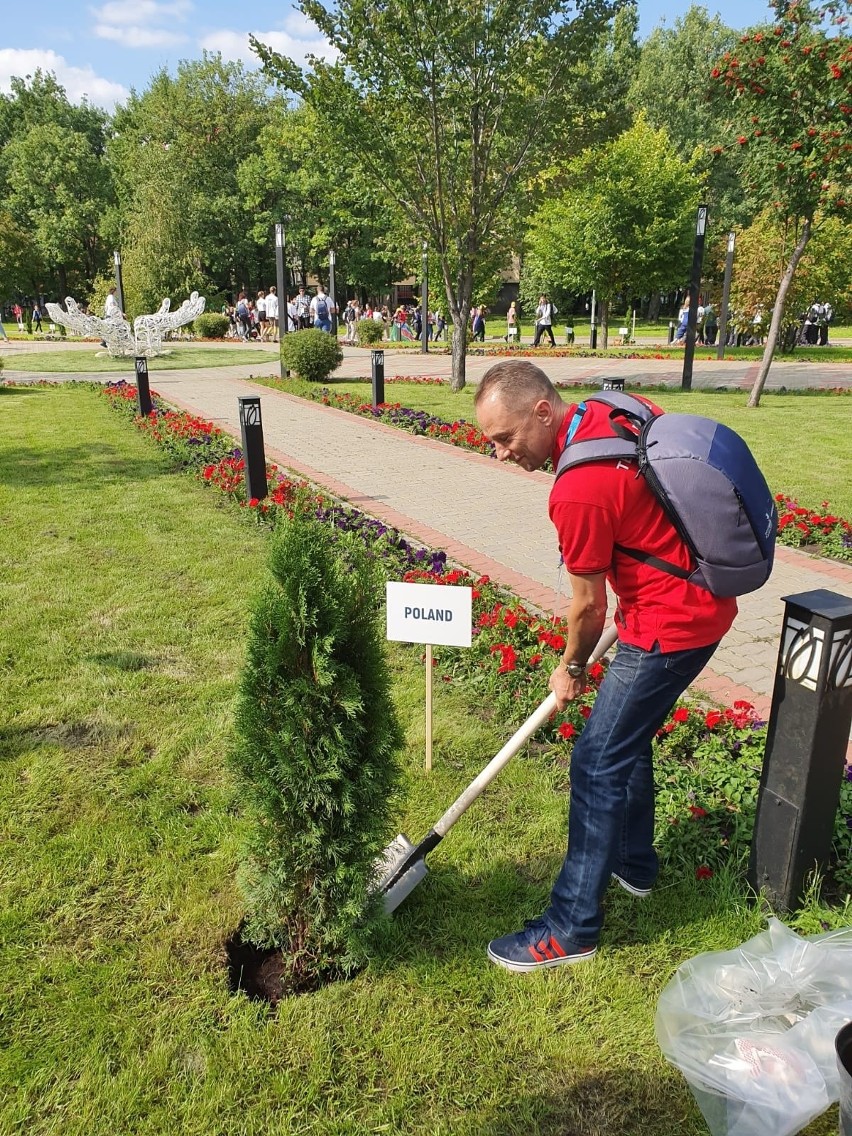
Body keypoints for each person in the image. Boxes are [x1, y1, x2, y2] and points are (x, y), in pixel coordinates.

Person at [473, 360, 736, 972]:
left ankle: (571, 929)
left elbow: (587, 610)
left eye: (506, 439)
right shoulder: (612, 411)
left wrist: (570, 667)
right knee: (626, 740)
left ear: (543, 410)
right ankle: (634, 863)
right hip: (698, 601)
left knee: (595, 762)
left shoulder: (576, 490)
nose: (501, 455)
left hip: (670, 626)